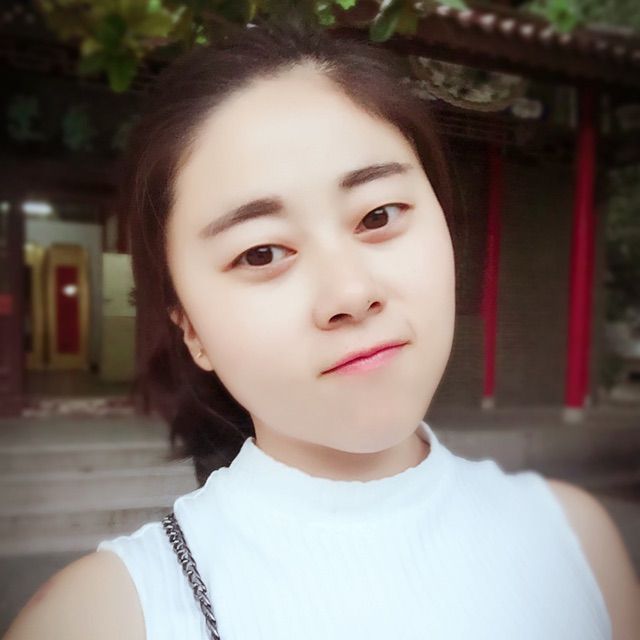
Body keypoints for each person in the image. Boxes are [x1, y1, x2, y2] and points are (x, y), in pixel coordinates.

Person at [5, 14, 639, 640]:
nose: (351, 294)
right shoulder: (100, 619)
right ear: (191, 329)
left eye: (379, 215)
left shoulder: (576, 541)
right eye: (261, 252)